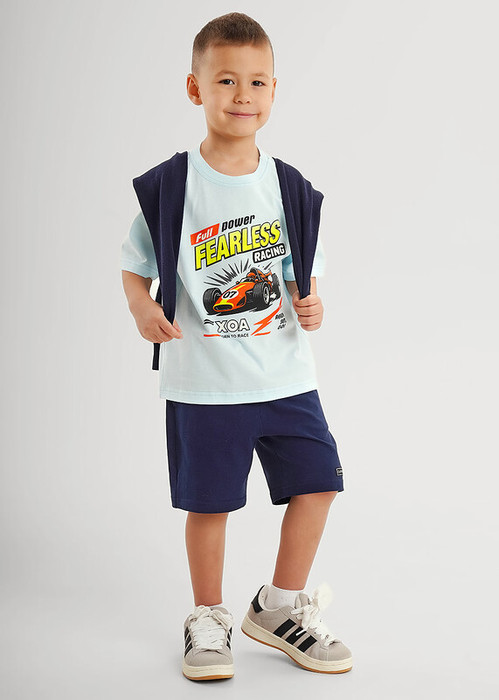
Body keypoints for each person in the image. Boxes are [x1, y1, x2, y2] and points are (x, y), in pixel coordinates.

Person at [120, 12, 352, 682]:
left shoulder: (288, 187)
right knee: (210, 504)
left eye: (256, 81)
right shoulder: (172, 187)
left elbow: (301, 273)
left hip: (285, 376)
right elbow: (134, 264)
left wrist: (310, 301)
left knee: (319, 483)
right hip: (204, 381)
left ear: (274, 90)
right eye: (225, 80)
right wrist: (142, 307)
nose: (241, 94)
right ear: (196, 88)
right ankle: (207, 618)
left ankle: (278, 607)